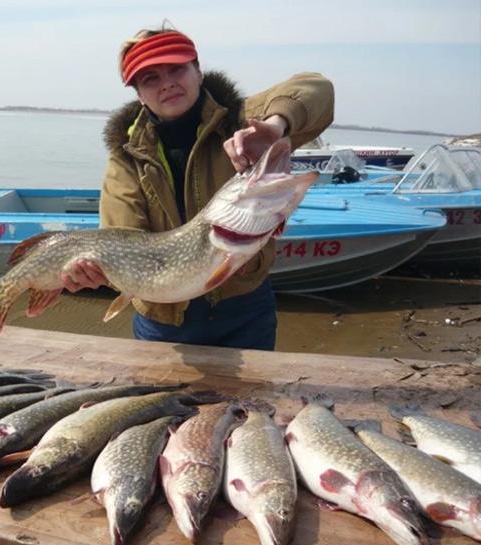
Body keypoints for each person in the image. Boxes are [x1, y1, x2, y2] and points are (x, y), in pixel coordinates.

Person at [61, 27, 335, 351]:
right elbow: (123, 237)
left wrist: (275, 126)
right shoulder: (125, 158)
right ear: (139, 94)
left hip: (244, 308)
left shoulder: (240, 119)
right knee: (161, 401)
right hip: (164, 321)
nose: (167, 83)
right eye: (150, 78)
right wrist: (97, 273)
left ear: (198, 71)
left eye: (176, 68)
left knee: (249, 402)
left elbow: (318, 89)